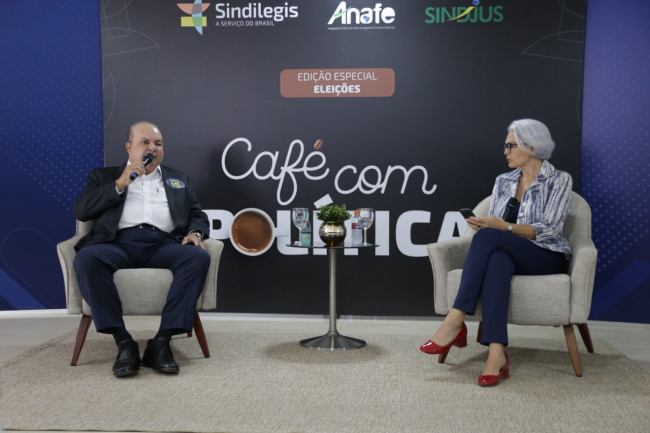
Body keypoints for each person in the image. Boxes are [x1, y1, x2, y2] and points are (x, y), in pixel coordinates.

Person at [420, 119, 573, 387]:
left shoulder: (559, 179)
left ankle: (455, 320)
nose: (505, 152)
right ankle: (496, 355)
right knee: (497, 260)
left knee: (491, 238)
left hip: (546, 255)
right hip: (508, 252)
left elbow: (550, 230)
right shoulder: (503, 181)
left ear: (532, 147)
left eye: (511, 146)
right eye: (505, 146)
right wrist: (485, 225)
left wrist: (504, 227)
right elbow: (495, 227)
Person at [73, 121, 211, 377]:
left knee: (197, 257)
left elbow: (197, 215)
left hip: (163, 244)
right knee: (87, 258)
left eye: (158, 144)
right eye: (145, 142)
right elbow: (82, 210)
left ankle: (161, 342)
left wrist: (194, 233)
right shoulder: (103, 176)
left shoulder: (179, 179)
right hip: (117, 243)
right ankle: (124, 342)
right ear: (129, 147)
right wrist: (120, 183)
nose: (152, 148)